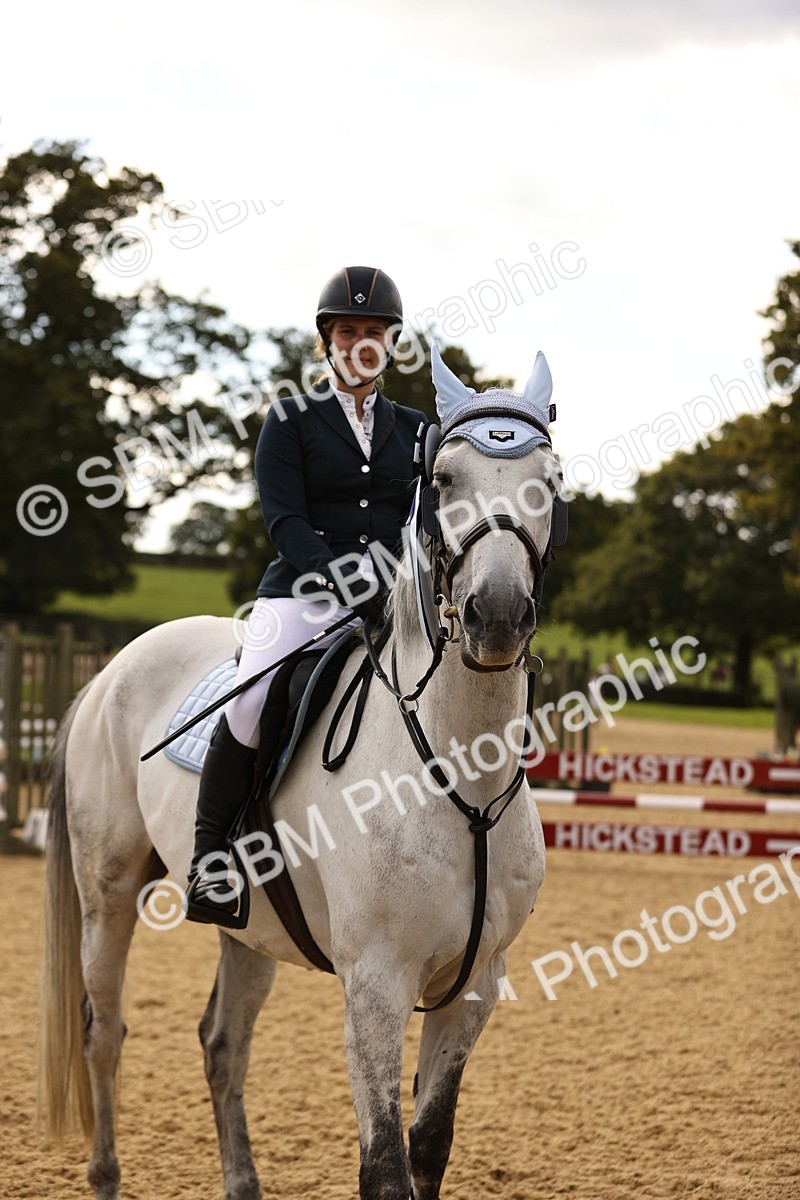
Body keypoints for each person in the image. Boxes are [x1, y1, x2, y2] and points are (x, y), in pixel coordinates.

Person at [185, 266, 428, 924]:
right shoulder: (289, 418)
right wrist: (345, 580)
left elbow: (422, 521)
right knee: (252, 699)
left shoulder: (416, 429)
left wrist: (396, 582)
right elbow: (286, 521)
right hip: (301, 595)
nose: (361, 343)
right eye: (347, 331)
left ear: (391, 342)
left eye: (374, 331)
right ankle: (212, 858)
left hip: (393, 597)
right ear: (327, 341)